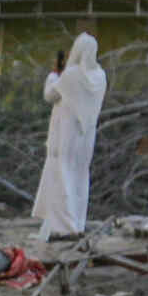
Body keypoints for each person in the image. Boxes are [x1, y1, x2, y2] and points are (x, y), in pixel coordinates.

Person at [30, 30, 106, 241]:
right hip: (86, 135)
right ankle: (76, 223)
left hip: (67, 134)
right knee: (79, 176)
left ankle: (64, 227)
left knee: (63, 174)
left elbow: (50, 95)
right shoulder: (100, 76)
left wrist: (53, 75)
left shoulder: (72, 75)